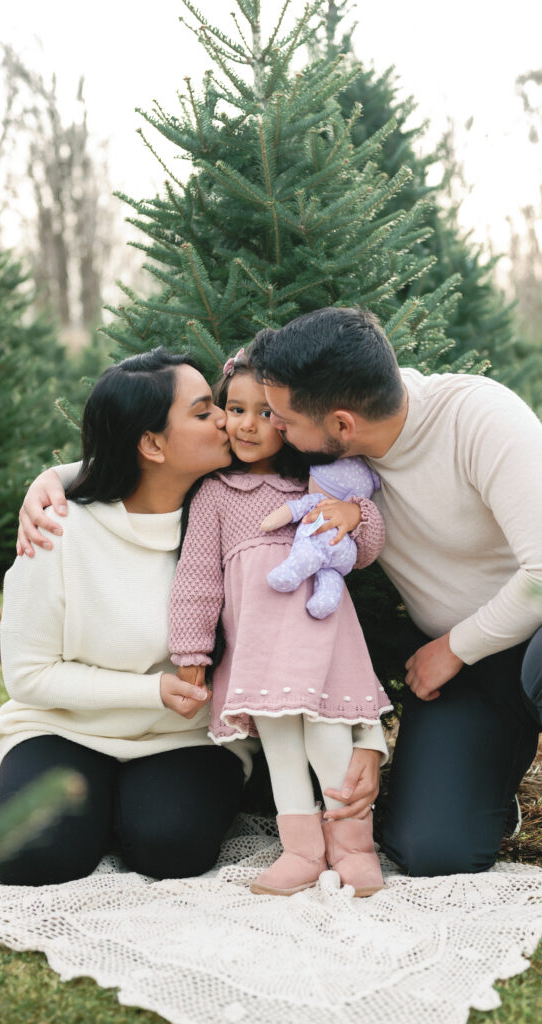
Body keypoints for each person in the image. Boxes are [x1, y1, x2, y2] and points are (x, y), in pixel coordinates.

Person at [245, 306, 542, 893]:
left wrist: (455, 648)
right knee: (432, 848)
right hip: (473, 667)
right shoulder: (334, 462)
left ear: (341, 423)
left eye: (282, 418)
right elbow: (185, 454)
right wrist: (68, 480)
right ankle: (491, 789)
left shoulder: (479, 416)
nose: (273, 428)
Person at [7, 347, 386, 887]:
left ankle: (139, 810)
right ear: (153, 444)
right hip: (66, 730)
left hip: (180, 738)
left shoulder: (233, 503)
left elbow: (328, 625)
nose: (236, 424)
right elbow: (26, 675)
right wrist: (154, 690)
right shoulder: (56, 528)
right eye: (209, 411)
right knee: (36, 858)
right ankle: (91, 808)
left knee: (172, 849)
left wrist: (367, 737)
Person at [167, 350, 391, 897]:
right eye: (234, 409)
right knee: (283, 749)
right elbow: (197, 582)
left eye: (265, 413)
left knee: (329, 741)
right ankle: (301, 851)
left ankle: (354, 847)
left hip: (323, 643)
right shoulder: (216, 497)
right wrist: (191, 656)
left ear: (288, 422)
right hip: (261, 651)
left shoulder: (317, 487)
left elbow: (365, 550)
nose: (247, 424)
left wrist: (357, 515)